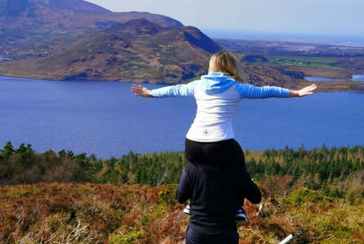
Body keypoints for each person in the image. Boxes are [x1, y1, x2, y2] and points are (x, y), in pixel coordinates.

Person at [131, 51, 317, 221]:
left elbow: (173, 89)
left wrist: (150, 93)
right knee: (237, 167)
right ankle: (237, 208)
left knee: (199, 168)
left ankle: (192, 204)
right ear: (230, 67)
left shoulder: (197, 85)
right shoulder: (236, 87)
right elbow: (267, 91)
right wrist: (297, 93)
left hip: (193, 143)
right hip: (220, 143)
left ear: (212, 67)